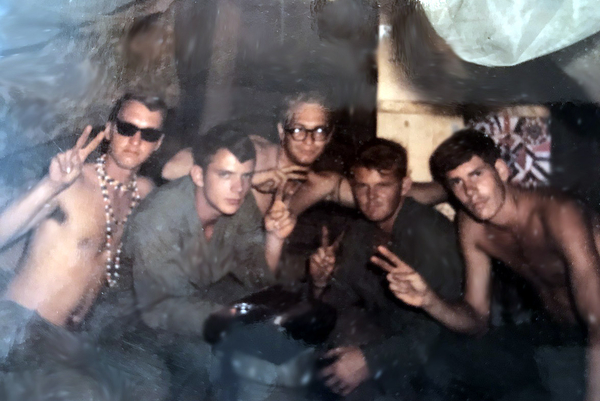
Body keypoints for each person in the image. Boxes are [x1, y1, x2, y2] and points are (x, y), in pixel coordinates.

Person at [375, 129, 600, 401]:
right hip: (555, 336)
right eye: (456, 182)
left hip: (592, 342)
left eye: (476, 174)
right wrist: (429, 301)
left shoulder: (558, 215)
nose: (470, 191)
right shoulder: (472, 227)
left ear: (501, 171)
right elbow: (477, 320)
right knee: (441, 365)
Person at [0, 93, 168, 400]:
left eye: (149, 134)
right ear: (109, 130)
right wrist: (50, 186)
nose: (135, 141)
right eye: (127, 128)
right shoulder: (73, 182)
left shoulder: (143, 193)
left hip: (68, 339)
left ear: (158, 143)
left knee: (150, 382)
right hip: (19, 328)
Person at [125, 124, 295, 400]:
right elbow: (158, 309)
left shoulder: (240, 204)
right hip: (132, 323)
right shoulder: (159, 215)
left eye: (246, 176)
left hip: (195, 309)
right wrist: (230, 320)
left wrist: (274, 239)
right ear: (198, 175)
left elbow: (258, 280)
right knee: (214, 364)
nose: (238, 188)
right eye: (225, 174)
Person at [308, 138, 463, 400]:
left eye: (383, 186)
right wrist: (320, 282)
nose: (372, 197)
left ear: (404, 186)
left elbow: (440, 329)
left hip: (442, 357)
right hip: (393, 339)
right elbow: (340, 301)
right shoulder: (361, 229)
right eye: (362, 186)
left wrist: (370, 360)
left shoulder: (430, 235)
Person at [161, 93, 445, 216]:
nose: (309, 141)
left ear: (330, 136)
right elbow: (171, 169)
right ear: (282, 132)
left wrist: (454, 189)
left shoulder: (320, 184)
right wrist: (250, 177)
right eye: (298, 130)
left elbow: (394, 193)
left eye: (319, 131)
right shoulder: (252, 152)